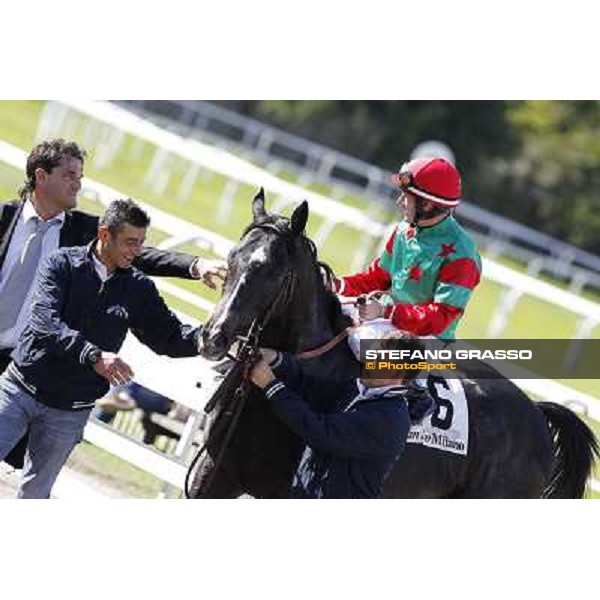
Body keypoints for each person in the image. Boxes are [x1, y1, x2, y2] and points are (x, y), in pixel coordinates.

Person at [0, 139, 226, 467]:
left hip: (30, 364)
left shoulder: (85, 231)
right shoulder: (5, 218)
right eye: (70, 174)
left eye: (80, 175)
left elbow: (142, 254)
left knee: (23, 467)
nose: (79, 183)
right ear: (40, 176)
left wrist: (195, 266)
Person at [0, 199, 203, 498]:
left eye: (142, 243)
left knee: (35, 495)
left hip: (70, 411)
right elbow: (45, 322)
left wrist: (214, 337)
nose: (137, 250)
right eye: (130, 242)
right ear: (105, 234)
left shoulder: (139, 288)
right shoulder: (60, 264)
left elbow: (169, 338)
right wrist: (93, 356)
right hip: (19, 390)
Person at [247, 331, 431, 499]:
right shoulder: (358, 388)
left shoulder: (390, 419)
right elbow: (310, 388)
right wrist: (277, 360)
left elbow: (320, 431)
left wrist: (271, 385)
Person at [334, 157, 482, 341]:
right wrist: (335, 284)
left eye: (406, 197)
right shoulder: (403, 229)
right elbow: (377, 278)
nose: (399, 201)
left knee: (359, 347)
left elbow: (441, 317)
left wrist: (385, 311)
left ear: (426, 204)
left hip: (427, 340)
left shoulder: (462, 253)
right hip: (384, 320)